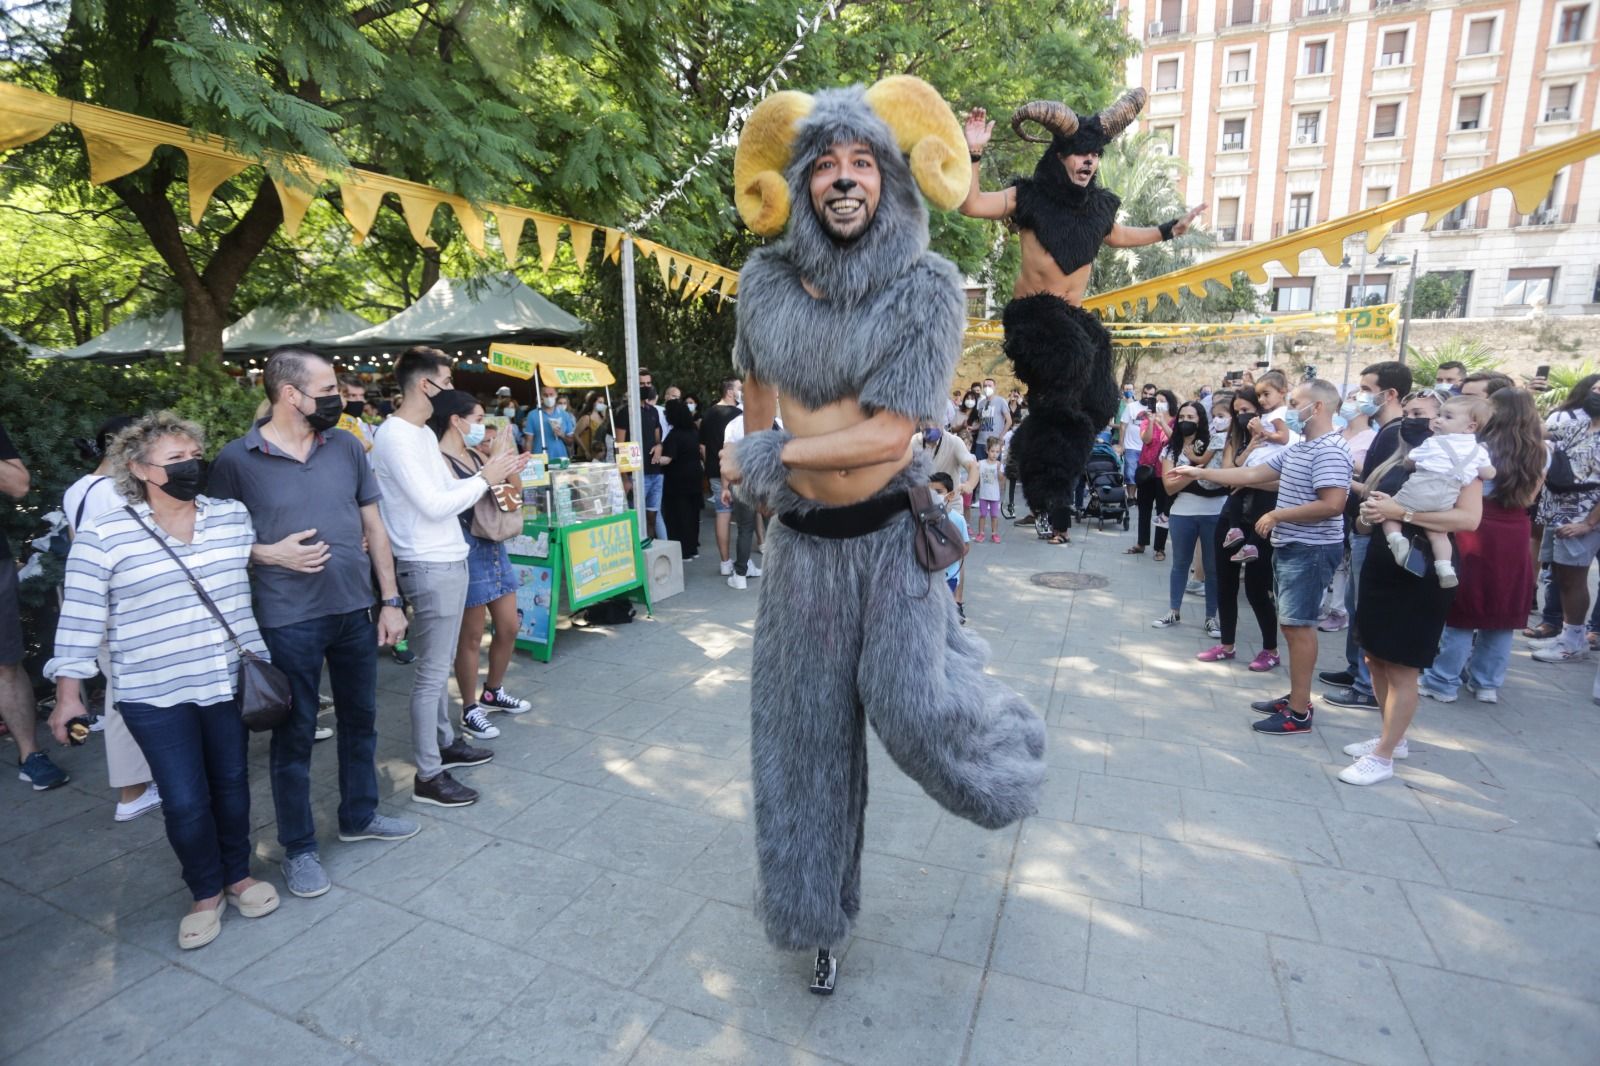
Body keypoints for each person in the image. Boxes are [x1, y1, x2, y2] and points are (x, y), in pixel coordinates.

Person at [722, 76, 1044, 991]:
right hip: (802, 556)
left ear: (892, 180)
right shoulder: (765, 286)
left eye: (862, 160)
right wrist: (760, 461)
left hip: (890, 544)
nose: (843, 177)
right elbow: (753, 392)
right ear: (802, 188)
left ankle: (1003, 749)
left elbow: (893, 435)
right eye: (824, 164)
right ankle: (814, 919)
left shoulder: (927, 289)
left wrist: (762, 460)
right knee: (800, 744)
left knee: (911, 710)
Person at [45, 412, 279, 948]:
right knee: (184, 798)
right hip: (154, 690)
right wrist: (67, 696)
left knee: (232, 783)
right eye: (176, 459)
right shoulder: (106, 533)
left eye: (195, 455)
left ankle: (239, 873)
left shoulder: (231, 516)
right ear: (139, 468)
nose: (191, 466)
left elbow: (248, 579)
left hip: (226, 682)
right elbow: (81, 615)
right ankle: (204, 890)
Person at [210, 347, 420, 898]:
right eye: (327, 389)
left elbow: (374, 526)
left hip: (354, 609)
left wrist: (391, 599)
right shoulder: (236, 460)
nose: (338, 396)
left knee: (362, 720)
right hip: (286, 621)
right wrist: (266, 554)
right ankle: (299, 848)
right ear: (289, 394)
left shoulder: (347, 445)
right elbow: (212, 543)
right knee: (294, 736)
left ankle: (359, 816)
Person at [961, 92, 1203, 542]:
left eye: (1095, 155)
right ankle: (1044, 489)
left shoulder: (1098, 210)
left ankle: (1045, 466)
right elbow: (971, 205)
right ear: (1061, 157)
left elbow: (1120, 236)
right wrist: (974, 151)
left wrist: (1170, 230)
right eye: (1080, 154)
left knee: (1099, 395)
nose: (1089, 162)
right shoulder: (1026, 198)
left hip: (1070, 318)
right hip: (1032, 319)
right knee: (1075, 353)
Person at [371, 346, 527, 808]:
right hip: (427, 560)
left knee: (438, 670)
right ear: (426, 385)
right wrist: (488, 475)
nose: (451, 387)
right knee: (432, 672)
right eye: (447, 378)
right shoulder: (397, 436)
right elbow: (436, 503)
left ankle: (443, 743)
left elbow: (447, 494)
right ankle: (428, 773)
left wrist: (488, 474)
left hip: (448, 555)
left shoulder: (417, 434)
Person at [1177, 379, 1352, 736]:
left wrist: (1277, 515)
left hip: (1311, 548)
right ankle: (1297, 697)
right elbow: (1255, 473)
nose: (1289, 408)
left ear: (1317, 407)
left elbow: (1333, 504)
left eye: (1295, 401)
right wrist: (1201, 472)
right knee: (1292, 625)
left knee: (1298, 627)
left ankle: (1299, 713)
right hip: (1294, 546)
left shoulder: (1330, 450)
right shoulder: (1305, 446)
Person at [1343, 410, 1484, 785]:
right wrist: (1369, 515)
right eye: (1419, 413)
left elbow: (1468, 520)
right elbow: (1371, 513)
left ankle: (1384, 756)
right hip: (1382, 561)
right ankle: (1393, 736)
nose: (1428, 420)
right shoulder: (1406, 457)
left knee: (1403, 664)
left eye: (1433, 412)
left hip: (1423, 570)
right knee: (1374, 655)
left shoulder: (1464, 461)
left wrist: (1400, 511)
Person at [61, 416, 161, 818]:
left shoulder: (79, 489)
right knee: (126, 701)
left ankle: (139, 786)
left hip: (97, 604)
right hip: (122, 608)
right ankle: (133, 793)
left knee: (122, 695)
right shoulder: (118, 492)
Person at [1421, 388, 1545, 702]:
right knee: (1503, 609)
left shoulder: (1481, 447)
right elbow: (1530, 498)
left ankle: (1443, 680)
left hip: (1477, 524)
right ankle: (1486, 682)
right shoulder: (1541, 450)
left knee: (1464, 607)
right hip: (1516, 529)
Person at [426, 389, 533, 740]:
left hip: (493, 546)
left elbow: (512, 498)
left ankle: (493, 691)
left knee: (508, 625)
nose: (481, 426)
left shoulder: (476, 455)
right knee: (470, 637)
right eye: (476, 419)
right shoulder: (436, 460)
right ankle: (470, 708)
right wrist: (487, 473)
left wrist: (509, 461)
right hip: (464, 549)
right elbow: (448, 504)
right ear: (456, 420)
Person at [1321, 361, 1414, 710]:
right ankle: (1354, 670)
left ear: (1389, 394)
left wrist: (1340, 479)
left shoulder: (1395, 433)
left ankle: (1365, 684)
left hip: (1371, 528)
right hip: (1360, 525)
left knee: (1364, 609)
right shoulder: (1385, 432)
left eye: (1365, 389)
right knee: (1355, 606)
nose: (1358, 397)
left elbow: (1380, 487)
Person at [1197, 388, 1280, 670]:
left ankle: (1270, 649)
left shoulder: (1278, 441)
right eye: (1238, 411)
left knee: (1257, 589)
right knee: (1225, 584)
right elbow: (1229, 478)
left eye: (1248, 410)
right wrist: (1245, 477)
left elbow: (1280, 482)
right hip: (1230, 520)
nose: (1243, 416)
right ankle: (1227, 645)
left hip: (1263, 522)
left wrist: (1244, 479)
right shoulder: (1237, 438)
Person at [1379, 395, 1495, 588]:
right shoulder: (1478, 452)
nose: (1439, 420)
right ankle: (1444, 566)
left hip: (1418, 490)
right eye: (1440, 415)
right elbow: (1489, 473)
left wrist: (1401, 513)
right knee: (1438, 534)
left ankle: (1395, 538)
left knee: (1390, 513)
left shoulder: (1432, 444)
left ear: (1471, 427)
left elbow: (1410, 461)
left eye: (1447, 417)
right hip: (1445, 498)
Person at [1528, 375, 1600, 664]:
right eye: (1595, 389)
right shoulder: (1574, 422)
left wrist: (1589, 523)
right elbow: (1534, 430)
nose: (1596, 394)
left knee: (1574, 577)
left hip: (1586, 514)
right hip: (1559, 510)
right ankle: (1571, 635)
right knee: (1563, 575)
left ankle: (1574, 639)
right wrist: (1528, 398)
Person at [1153, 400, 1225, 634]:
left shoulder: (1211, 446)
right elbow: (1169, 487)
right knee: (1180, 564)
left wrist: (1192, 467)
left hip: (1214, 513)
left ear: (1200, 420)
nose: (1185, 421)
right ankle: (1174, 611)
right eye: (1182, 417)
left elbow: (1221, 477)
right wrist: (1198, 472)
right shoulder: (1170, 449)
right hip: (1182, 513)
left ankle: (1211, 617)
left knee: (1212, 568)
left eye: (1191, 417)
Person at [700, 379, 744, 575]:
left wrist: (711, 462)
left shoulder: (708, 413)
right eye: (739, 388)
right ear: (729, 392)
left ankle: (725, 562)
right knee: (746, 518)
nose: (741, 392)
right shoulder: (738, 415)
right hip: (737, 472)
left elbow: (702, 446)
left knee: (722, 514)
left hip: (714, 470)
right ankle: (745, 561)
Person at [717, 412, 764, 590]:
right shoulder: (775, 421)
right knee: (778, 528)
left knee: (745, 528)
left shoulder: (734, 425)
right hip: (770, 482)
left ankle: (740, 574)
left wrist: (725, 487)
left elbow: (727, 459)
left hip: (742, 481)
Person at [1128, 389, 1176, 557]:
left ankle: (1160, 548)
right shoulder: (1148, 419)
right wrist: (1150, 422)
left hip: (1165, 472)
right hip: (1147, 469)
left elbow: (1175, 439)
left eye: (1163, 400)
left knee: (1163, 511)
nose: (1159, 403)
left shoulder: (1176, 421)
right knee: (1144, 508)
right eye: (1158, 400)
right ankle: (1141, 543)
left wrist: (1163, 422)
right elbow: (1146, 440)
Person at [658, 398, 705, 561]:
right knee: (692, 516)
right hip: (694, 478)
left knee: (678, 516)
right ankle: (692, 548)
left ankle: (683, 551)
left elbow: (668, 459)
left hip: (677, 482)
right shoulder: (693, 432)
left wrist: (651, 459)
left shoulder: (674, 436)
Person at [930, 471, 971, 623]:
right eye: (930, 492)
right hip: (931, 574)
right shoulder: (925, 519)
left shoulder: (957, 520)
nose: (934, 495)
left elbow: (966, 547)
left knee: (944, 611)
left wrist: (951, 554)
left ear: (950, 495)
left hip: (950, 575)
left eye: (939, 492)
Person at [526, 385, 576, 461]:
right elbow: (529, 441)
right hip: (540, 460)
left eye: (551, 394)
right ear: (541, 396)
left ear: (556, 395)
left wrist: (562, 435)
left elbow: (570, 442)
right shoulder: (532, 415)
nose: (548, 397)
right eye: (545, 395)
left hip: (561, 459)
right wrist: (528, 461)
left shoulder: (565, 415)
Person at [972, 440, 1005, 543]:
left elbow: (1001, 478)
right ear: (987, 450)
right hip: (983, 495)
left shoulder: (999, 465)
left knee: (994, 515)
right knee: (982, 515)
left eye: (997, 452)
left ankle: (994, 533)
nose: (995, 454)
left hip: (994, 495)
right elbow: (973, 469)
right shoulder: (981, 463)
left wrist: (999, 470)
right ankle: (981, 533)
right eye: (992, 451)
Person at [335, 373, 376, 452]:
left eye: (362, 395)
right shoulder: (326, 428)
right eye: (352, 395)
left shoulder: (372, 430)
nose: (359, 400)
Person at [975, 376, 1012, 458]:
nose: (987, 388)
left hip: (995, 443)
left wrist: (1001, 436)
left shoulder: (1001, 401)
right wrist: (972, 427)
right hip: (980, 441)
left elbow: (1009, 421)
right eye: (985, 386)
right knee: (980, 467)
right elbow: (981, 422)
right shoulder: (981, 403)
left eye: (989, 385)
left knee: (994, 468)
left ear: (994, 387)